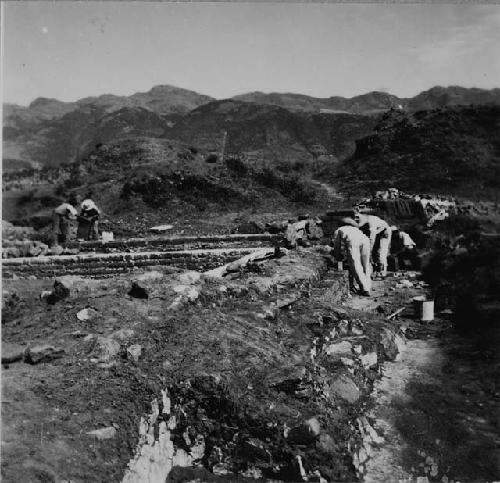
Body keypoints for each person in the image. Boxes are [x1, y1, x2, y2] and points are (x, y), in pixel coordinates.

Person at [332, 218, 372, 296]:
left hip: (353, 242)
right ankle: (368, 285)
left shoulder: (338, 230)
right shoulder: (354, 229)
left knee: (355, 265)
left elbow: (337, 245)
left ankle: (365, 289)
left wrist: (338, 256)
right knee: (365, 264)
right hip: (365, 240)